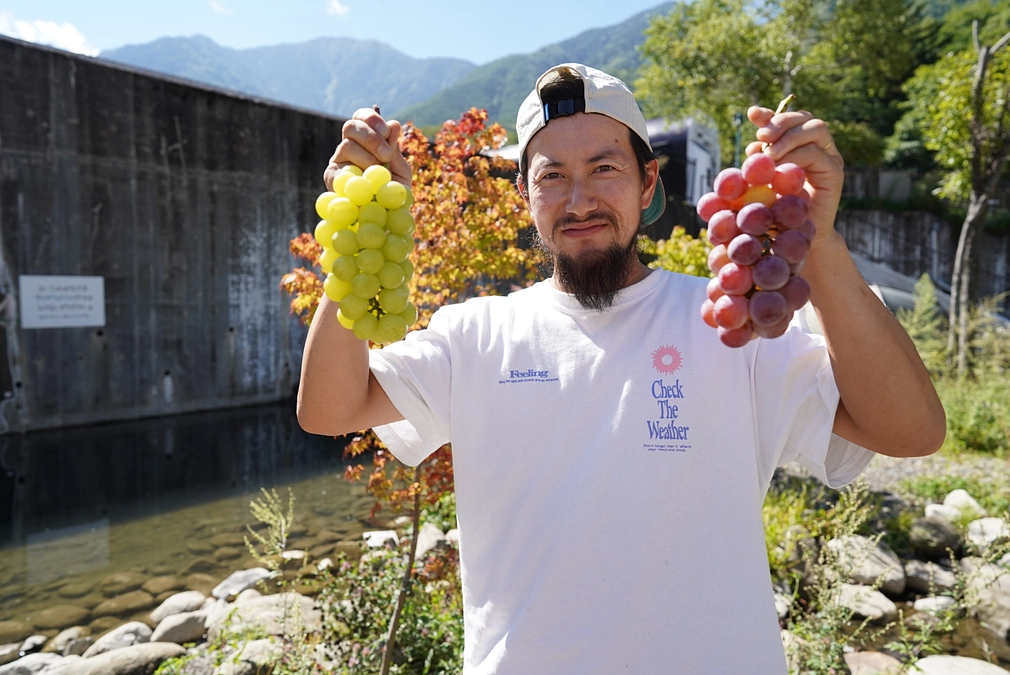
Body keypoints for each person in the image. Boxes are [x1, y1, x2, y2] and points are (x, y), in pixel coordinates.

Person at [298, 64, 945, 674]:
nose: (578, 199)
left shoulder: (733, 321)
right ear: (525, 194)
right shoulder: (476, 335)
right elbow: (330, 407)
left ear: (648, 183)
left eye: (604, 168)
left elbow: (911, 431)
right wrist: (358, 238)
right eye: (552, 176)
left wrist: (821, 242)